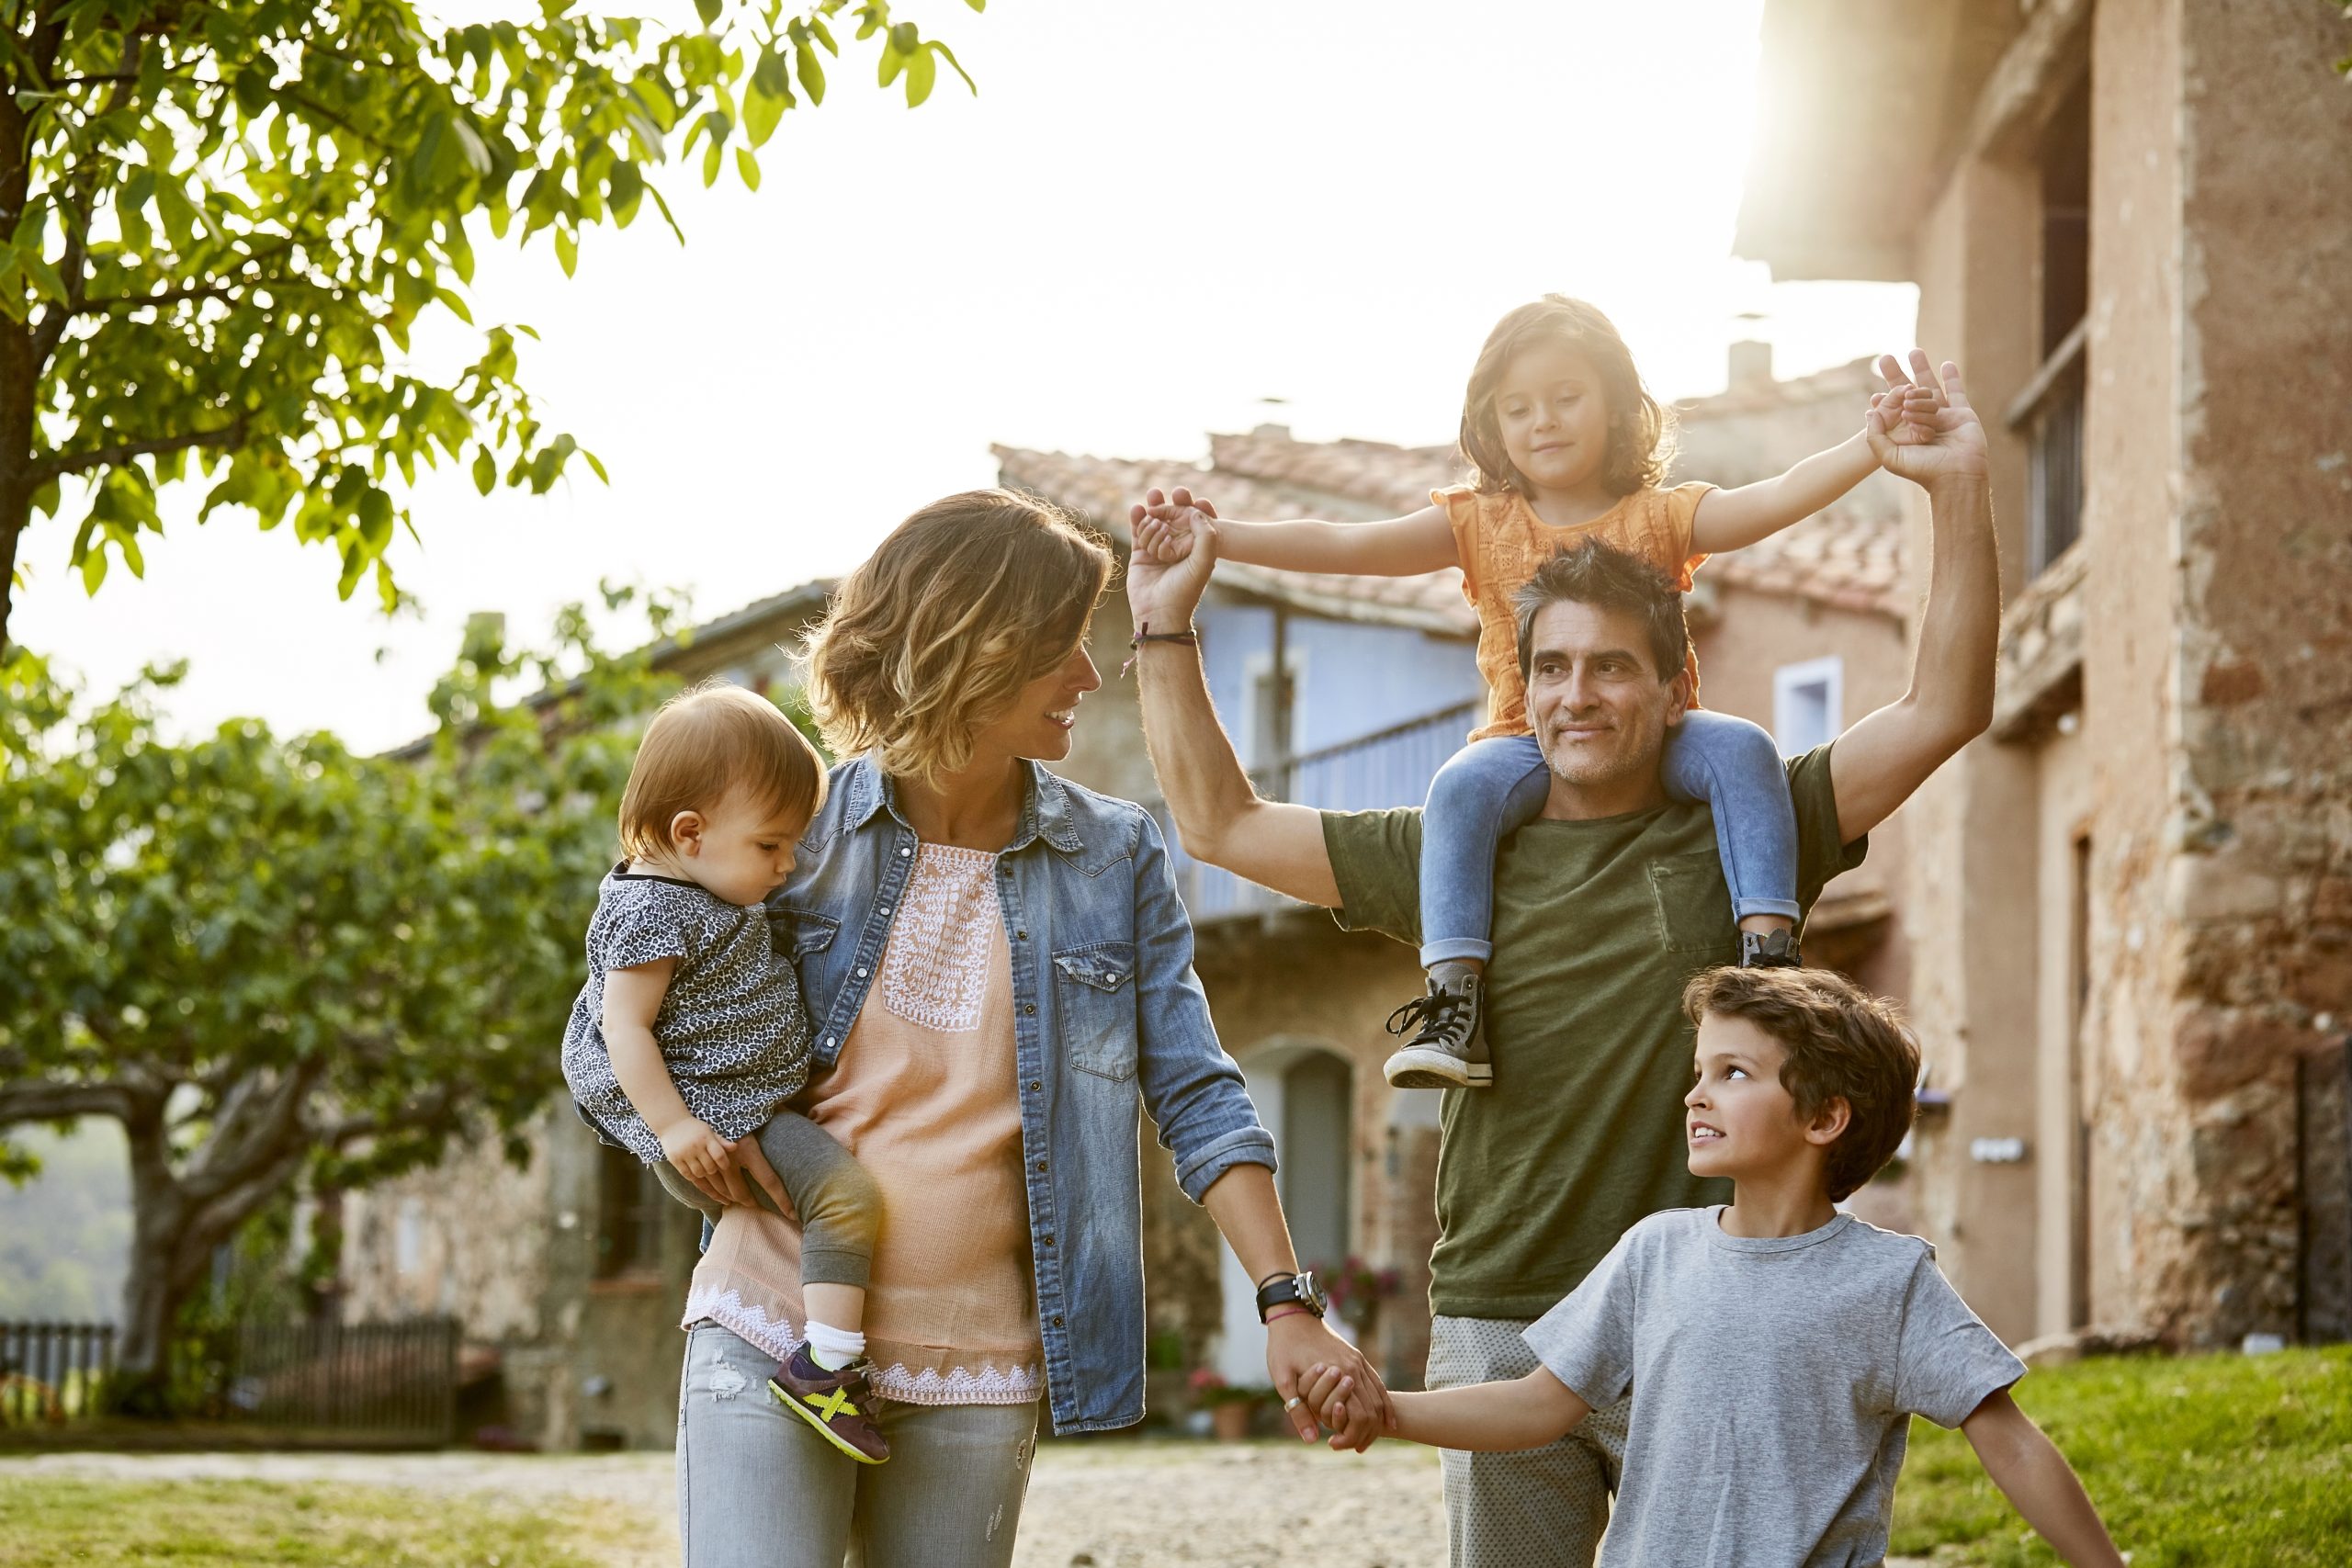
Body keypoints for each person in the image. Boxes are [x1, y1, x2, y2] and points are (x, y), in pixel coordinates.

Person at [1126, 355, 1998, 1566]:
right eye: (1550, 667)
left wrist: (1955, 488)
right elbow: (1222, 824)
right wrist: (1167, 623)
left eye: (1609, 666)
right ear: (1519, 682)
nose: (1575, 694)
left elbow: (1943, 704)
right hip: (1503, 1312)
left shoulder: (1752, 825)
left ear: (1672, 682)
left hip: (1707, 1314)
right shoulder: (1452, 850)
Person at [672, 490, 1391, 1568]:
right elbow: (622, 1008)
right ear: (975, 641)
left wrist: (1287, 1302)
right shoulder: (795, 831)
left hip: (979, 1368)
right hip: (770, 1325)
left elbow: (1195, 1088)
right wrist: (678, 1143)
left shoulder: (1114, 855)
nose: (1089, 677)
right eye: (1063, 646)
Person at [1135, 296, 1932, 1091]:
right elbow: (1349, 545)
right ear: (1491, 424)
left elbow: (1772, 499)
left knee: (1746, 748)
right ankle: (1456, 1001)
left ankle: (1767, 960)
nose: (1542, 421)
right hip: (1526, 741)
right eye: (1517, 408)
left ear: (1618, 408)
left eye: (1565, 397)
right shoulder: (1480, 522)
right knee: (1459, 787)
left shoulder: (1661, 515)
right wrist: (1222, 537)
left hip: (1655, 735)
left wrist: (1870, 447)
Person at [1294, 965, 2126, 1567]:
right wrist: (1392, 1410)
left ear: (1826, 1116)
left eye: (1733, 1073)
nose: (1695, 1095)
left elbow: (2008, 1440)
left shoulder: (1891, 1281)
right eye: (1699, 1073)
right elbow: (1538, 1403)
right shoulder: (1657, 1250)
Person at [561, 680, 890, 1461]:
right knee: (845, 1198)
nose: (786, 866)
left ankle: (793, 1350)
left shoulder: (703, 887)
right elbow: (624, 1027)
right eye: (770, 845)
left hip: (741, 1104)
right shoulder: (653, 909)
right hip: (716, 1117)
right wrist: (676, 1127)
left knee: (790, 1229)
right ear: (690, 831)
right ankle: (828, 1368)